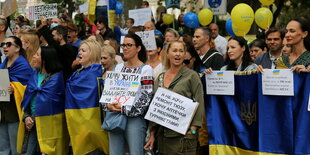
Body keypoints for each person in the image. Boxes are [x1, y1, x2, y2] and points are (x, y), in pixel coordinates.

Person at [144, 40, 204, 155]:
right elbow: (155, 107)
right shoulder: (160, 77)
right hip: (162, 138)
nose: (178, 54)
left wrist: (193, 130)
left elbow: (199, 103)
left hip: (182, 138)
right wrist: (152, 134)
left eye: (181, 51)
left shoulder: (192, 76)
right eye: (175, 50)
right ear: (167, 53)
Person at [104, 33, 153, 155]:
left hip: (134, 119)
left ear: (138, 48)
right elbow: (108, 92)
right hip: (115, 116)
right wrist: (108, 105)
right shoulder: (117, 68)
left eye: (129, 45)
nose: (125, 48)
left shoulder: (146, 69)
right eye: (123, 45)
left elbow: (146, 97)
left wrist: (125, 109)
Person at [20, 47, 69, 155]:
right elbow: (27, 96)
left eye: (37, 55)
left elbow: (52, 104)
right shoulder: (34, 74)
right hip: (31, 121)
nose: (33, 56)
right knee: (28, 152)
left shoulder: (56, 78)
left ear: (45, 59)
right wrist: (26, 116)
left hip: (49, 124)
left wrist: (32, 118)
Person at [65, 39, 109, 155]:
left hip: (90, 124)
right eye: (79, 50)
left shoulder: (95, 73)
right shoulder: (79, 71)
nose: (79, 53)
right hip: (78, 121)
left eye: (83, 51)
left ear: (93, 54)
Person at [0, 36, 32, 155]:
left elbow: (29, 88)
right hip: (2, 109)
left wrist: (14, 88)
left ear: (17, 48)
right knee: (2, 146)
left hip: (15, 110)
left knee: (15, 145)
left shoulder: (23, 66)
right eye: (3, 44)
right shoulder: (3, 64)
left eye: (8, 44)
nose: (4, 47)